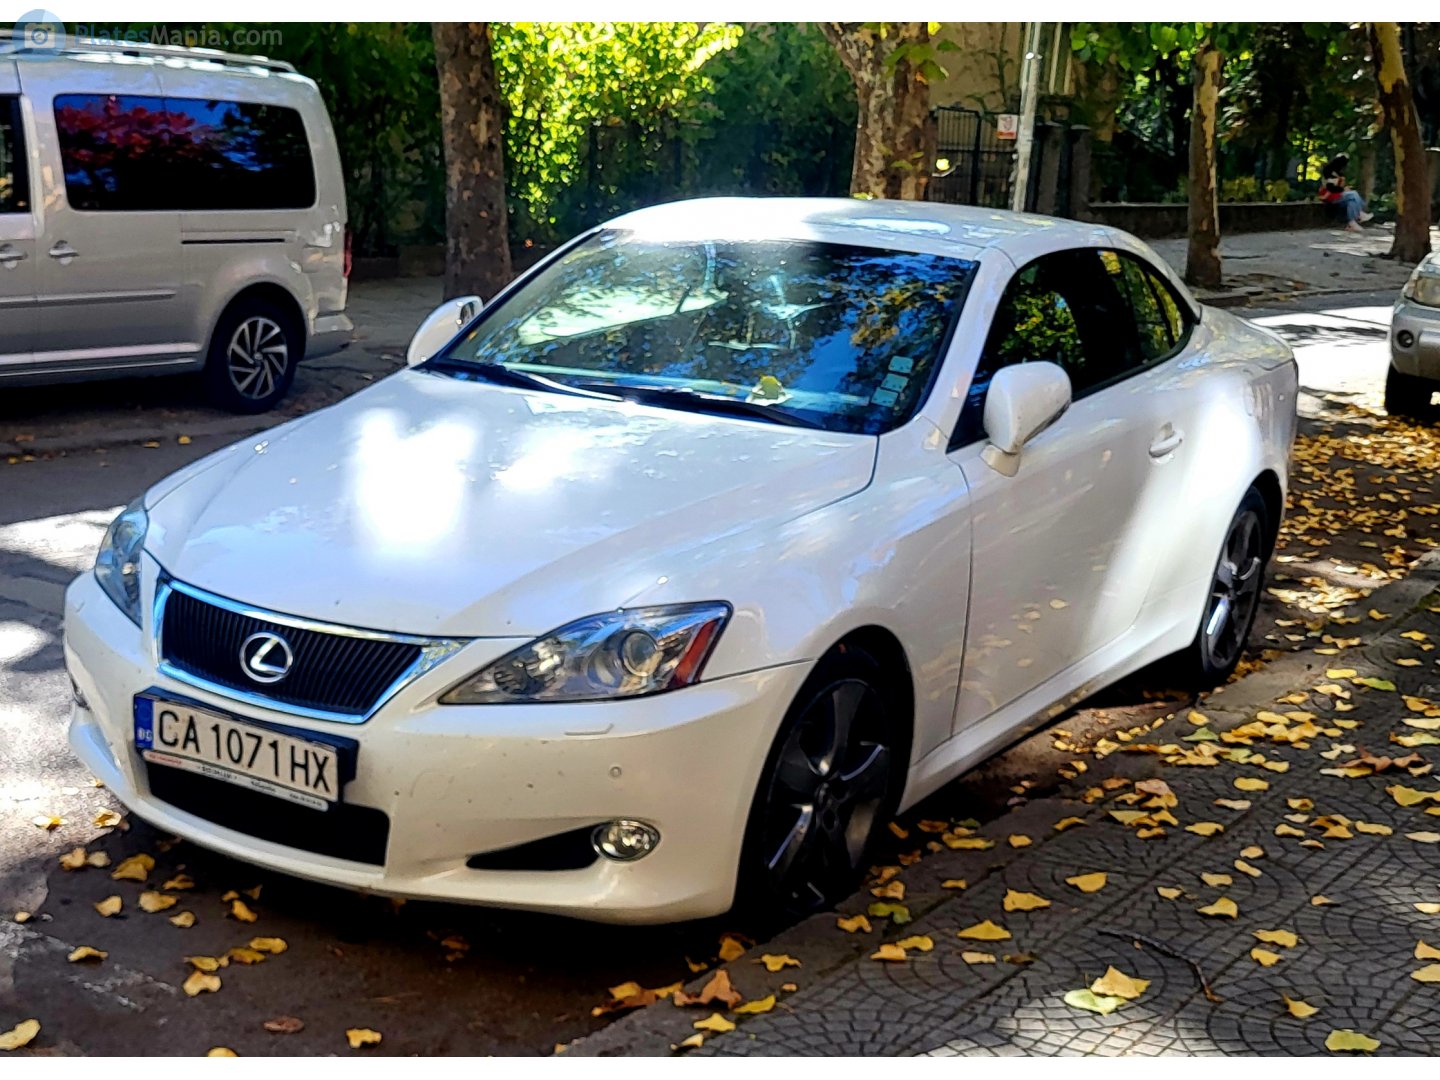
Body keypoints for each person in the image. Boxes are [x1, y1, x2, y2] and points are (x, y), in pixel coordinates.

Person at [1320, 153, 1374, 232]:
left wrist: (1344, 188)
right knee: (1353, 194)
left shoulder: (1339, 173)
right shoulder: (1328, 172)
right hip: (1329, 196)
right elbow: (1331, 188)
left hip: (1337, 196)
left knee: (1351, 202)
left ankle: (1351, 223)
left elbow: (1339, 187)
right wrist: (1343, 190)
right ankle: (1359, 214)